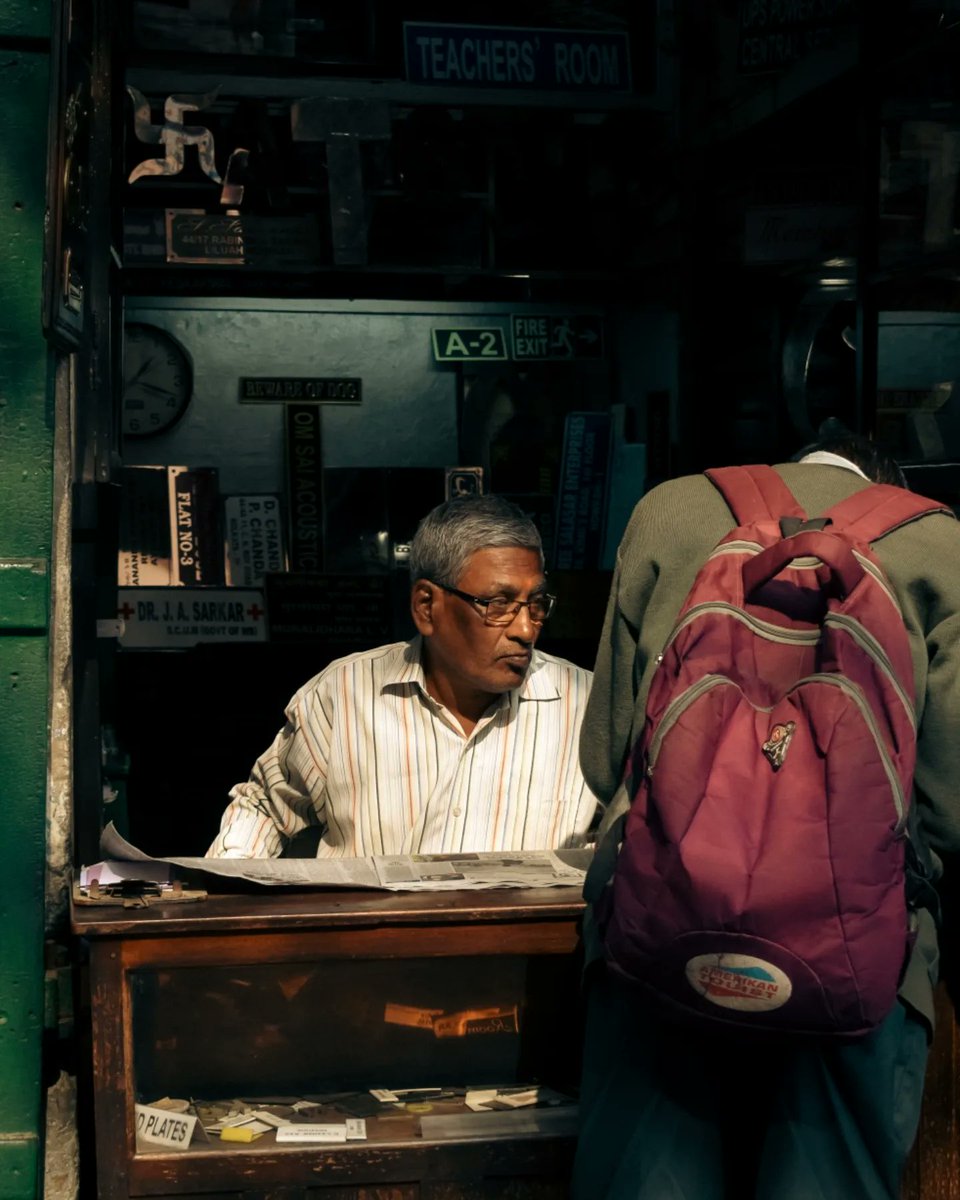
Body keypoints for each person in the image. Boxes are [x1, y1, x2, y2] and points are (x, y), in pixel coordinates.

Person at [572, 433, 960, 1200]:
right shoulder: (942, 544)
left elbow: (604, 754)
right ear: (888, 482)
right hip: (859, 957)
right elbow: (951, 809)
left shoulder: (668, 511)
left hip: (660, 935)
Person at [207, 493, 597, 859]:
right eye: (498, 604)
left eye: (537, 604)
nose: (526, 630)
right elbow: (264, 806)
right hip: (370, 930)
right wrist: (224, 904)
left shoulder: (588, 707)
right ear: (426, 606)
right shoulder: (344, 696)